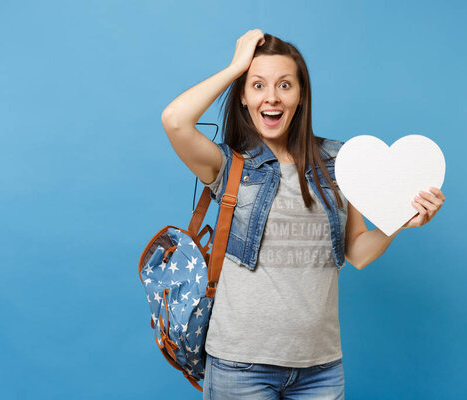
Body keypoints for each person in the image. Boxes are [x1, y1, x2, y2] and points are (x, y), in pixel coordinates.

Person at [161, 29, 445, 400]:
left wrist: (397, 222)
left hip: (320, 369)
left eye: (284, 85)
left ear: (300, 95)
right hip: (240, 366)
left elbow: (357, 252)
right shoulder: (230, 166)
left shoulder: (341, 162)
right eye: (258, 85)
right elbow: (175, 120)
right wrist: (235, 67)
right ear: (243, 97)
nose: (272, 97)